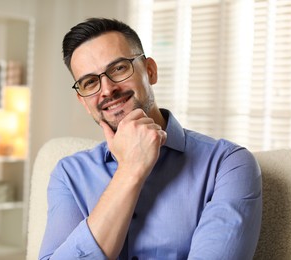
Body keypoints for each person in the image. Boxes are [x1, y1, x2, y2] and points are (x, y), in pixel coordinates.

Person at [39, 18, 262, 260]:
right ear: (83, 101)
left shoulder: (228, 165)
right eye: (90, 82)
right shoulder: (68, 174)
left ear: (150, 71)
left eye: (118, 68)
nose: (106, 89)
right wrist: (130, 170)